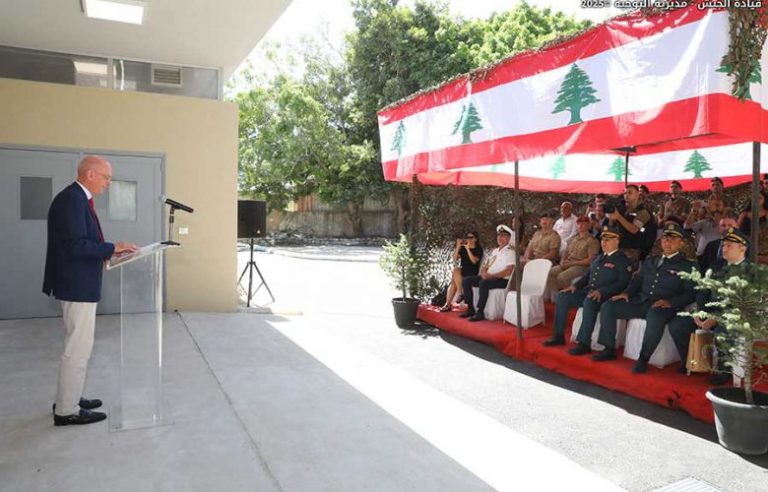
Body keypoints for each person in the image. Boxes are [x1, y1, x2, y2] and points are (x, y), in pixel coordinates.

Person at [43, 155, 138, 426]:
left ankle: (70, 397)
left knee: (78, 346)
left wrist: (110, 251)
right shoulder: (72, 200)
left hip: (78, 283)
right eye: (106, 177)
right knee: (78, 349)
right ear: (90, 174)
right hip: (76, 286)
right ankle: (66, 410)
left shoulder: (77, 198)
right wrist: (112, 248)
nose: (108, 183)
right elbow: (77, 246)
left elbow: (81, 242)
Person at [594, 222, 697, 373]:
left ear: (681, 243)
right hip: (642, 301)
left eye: (672, 239)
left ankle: (643, 358)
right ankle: (608, 348)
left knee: (655, 316)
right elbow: (637, 282)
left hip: (665, 307)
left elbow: (691, 293)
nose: (667, 242)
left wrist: (670, 302)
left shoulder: (688, 266)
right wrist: (626, 293)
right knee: (608, 306)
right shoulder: (651, 261)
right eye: (665, 239)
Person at [667, 227, 750, 385]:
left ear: (742, 248)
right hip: (711, 312)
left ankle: (723, 369)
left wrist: (716, 318)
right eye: (724, 245)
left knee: (722, 331)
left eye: (729, 246)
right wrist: (700, 312)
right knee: (678, 325)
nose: (724, 248)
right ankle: (691, 360)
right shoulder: (716, 265)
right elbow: (703, 291)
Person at [543, 226, 632, 350]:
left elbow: (623, 283)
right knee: (563, 297)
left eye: (608, 240)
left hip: (606, 296)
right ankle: (558, 336)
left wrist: (601, 291)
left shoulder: (623, 260)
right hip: (589, 292)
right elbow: (587, 276)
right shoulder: (599, 258)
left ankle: (584, 343)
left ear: (617, 241)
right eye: (603, 239)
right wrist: (575, 286)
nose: (604, 242)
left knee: (589, 301)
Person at [460, 224, 516, 322]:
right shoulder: (495, 251)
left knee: (483, 283)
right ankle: (470, 309)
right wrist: (483, 272)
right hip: (489, 277)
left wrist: (491, 276)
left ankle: (480, 312)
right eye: (499, 235)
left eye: (503, 236)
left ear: (508, 238)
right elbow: (485, 265)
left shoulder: (510, 252)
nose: (500, 238)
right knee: (466, 281)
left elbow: (509, 270)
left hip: (502, 280)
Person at [545, 215, 599, 296]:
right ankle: (555, 296)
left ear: (588, 225)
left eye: (584, 223)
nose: (581, 225)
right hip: (568, 263)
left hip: (581, 266)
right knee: (549, 273)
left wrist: (572, 263)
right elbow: (566, 252)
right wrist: (562, 260)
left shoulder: (592, 241)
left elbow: (590, 260)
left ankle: (568, 296)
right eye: (579, 223)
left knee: (562, 277)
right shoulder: (574, 238)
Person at [440, 232, 483, 312]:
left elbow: (474, 261)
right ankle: (459, 294)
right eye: (467, 237)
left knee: (454, 278)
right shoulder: (463, 249)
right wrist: (458, 246)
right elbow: (455, 258)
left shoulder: (478, 249)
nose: (469, 239)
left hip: (472, 273)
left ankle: (448, 304)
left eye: (471, 237)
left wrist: (468, 249)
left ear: (475, 239)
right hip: (463, 272)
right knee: (456, 271)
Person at [610, 184, 653, 263]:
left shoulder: (643, 212)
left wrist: (618, 216)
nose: (626, 195)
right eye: (625, 193)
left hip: (632, 249)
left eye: (630, 193)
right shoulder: (621, 208)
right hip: (618, 246)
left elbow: (634, 229)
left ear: (637, 194)